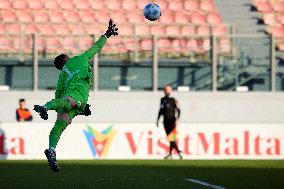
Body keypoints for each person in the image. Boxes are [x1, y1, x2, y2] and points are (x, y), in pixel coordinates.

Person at [33, 19, 118, 172]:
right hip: (77, 97)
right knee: (65, 108)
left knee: (58, 126)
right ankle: (45, 107)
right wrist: (107, 34)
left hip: (70, 102)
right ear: (67, 58)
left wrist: (59, 108)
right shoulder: (79, 59)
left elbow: (58, 94)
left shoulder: (61, 77)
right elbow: (96, 47)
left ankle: (52, 149)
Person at [156, 85, 182, 160]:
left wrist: (177, 119)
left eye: (168, 89)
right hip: (165, 121)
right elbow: (160, 111)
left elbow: (179, 110)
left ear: (171, 90)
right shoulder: (162, 100)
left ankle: (174, 153)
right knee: (170, 138)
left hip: (172, 121)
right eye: (165, 89)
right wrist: (157, 120)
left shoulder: (173, 100)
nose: (166, 91)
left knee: (171, 138)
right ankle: (176, 152)